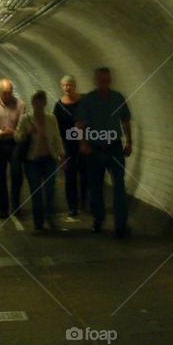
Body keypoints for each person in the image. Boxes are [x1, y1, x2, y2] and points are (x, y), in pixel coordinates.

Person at [76, 67, 133, 237]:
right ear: (97, 80)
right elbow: (79, 124)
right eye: (101, 80)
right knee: (96, 187)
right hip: (94, 149)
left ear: (109, 80)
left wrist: (129, 141)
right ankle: (98, 219)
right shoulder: (89, 100)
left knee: (119, 187)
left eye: (106, 79)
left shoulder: (118, 98)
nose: (104, 83)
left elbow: (125, 120)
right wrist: (82, 143)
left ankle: (120, 225)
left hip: (114, 147)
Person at [16, 90, 64, 231]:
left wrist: (61, 153)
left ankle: (51, 217)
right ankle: (38, 221)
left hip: (49, 159)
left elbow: (56, 137)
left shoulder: (51, 119)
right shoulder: (26, 119)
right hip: (32, 161)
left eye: (41, 102)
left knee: (50, 190)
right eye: (36, 102)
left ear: (44, 103)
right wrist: (26, 133)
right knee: (36, 191)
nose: (38, 105)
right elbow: (17, 136)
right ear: (32, 103)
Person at [0, 79, 25, 218]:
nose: (8, 96)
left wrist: (13, 132)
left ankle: (16, 204)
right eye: (5, 93)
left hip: (14, 143)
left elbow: (22, 124)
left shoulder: (20, 104)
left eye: (9, 93)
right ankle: (3, 208)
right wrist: (1, 132)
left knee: (17, 174)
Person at [53, 74, 88, 217]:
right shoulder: (59, 106)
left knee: (86, 174)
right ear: (61, 87)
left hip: (85, 141)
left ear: (75, 86)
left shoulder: (84, 101)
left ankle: (85, 202)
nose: (67, 87)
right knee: (70, 176)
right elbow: (56, 129)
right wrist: (59, 151)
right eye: (64, 85)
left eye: (70, 85)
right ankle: (72, 205)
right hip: (68, 143)